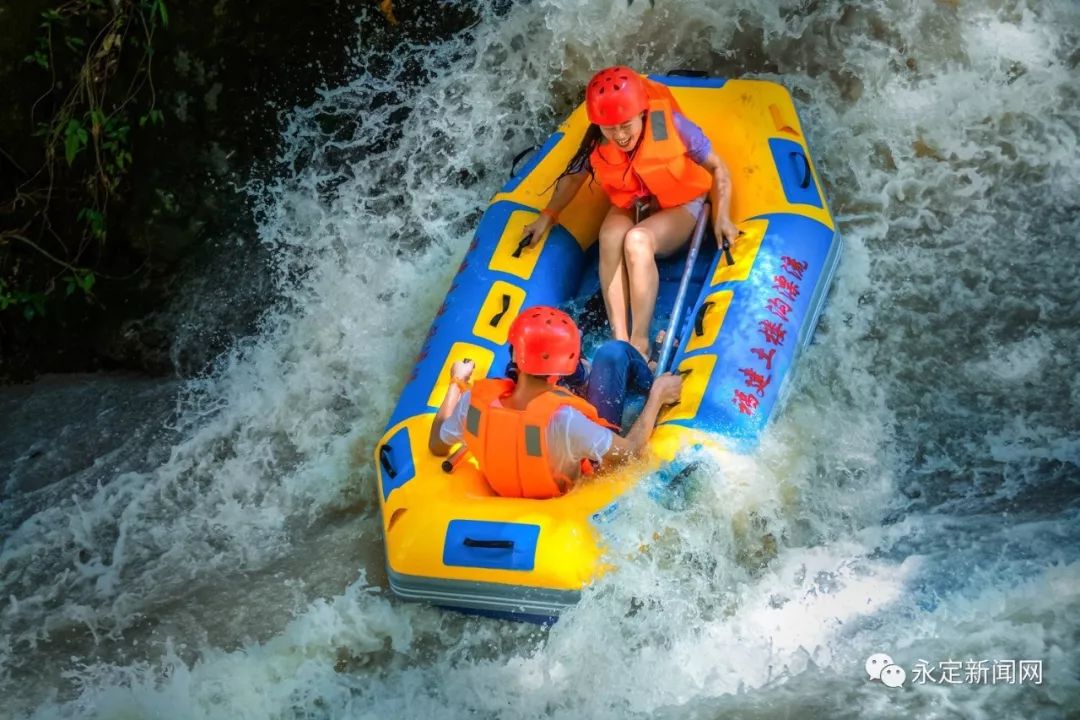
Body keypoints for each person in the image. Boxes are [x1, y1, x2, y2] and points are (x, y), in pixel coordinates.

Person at [521, 66, 739, 361]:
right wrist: (547, 215)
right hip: (637, 199)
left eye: (626, 125)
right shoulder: (599, 140)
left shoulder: (670, 125)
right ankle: (619, 338)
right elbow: (574, 177)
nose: (620, 136)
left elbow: (718, 167)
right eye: (610, 128)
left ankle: (640, 343)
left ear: (641, 114)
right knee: (610, 235)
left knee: (637, 240)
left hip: (680, 205)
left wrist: (723, 215)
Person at [428, 306, 682, 499]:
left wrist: (456, 383)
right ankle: (651, 372)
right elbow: (629, 454)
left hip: (523, 474)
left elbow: (437, 444)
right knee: (612, 353)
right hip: (580, 472)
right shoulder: (566, 420)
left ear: (516, 353)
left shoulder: (473, 403)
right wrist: (657, 398)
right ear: (565, 366)